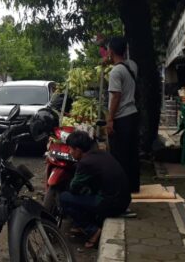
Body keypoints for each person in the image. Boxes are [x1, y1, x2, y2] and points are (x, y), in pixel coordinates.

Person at [59, 131, 131, 249]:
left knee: (65, 198)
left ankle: (92, 231)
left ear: (78, 150)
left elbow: (74, 188)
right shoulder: (102, 153)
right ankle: (85, 224)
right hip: (123, 200)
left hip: (112, 203)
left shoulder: (85, 163)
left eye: (70, 149)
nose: (69, 152)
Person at [106, 36, 140, 193]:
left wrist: (110, 119)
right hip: (133, 115)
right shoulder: (132, 66)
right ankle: (133, 186)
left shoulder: (115, 72)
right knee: (132, 153)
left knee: (119, 155)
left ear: (110, 51)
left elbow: (116, 96)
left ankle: (121, 189)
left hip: (121, 117)